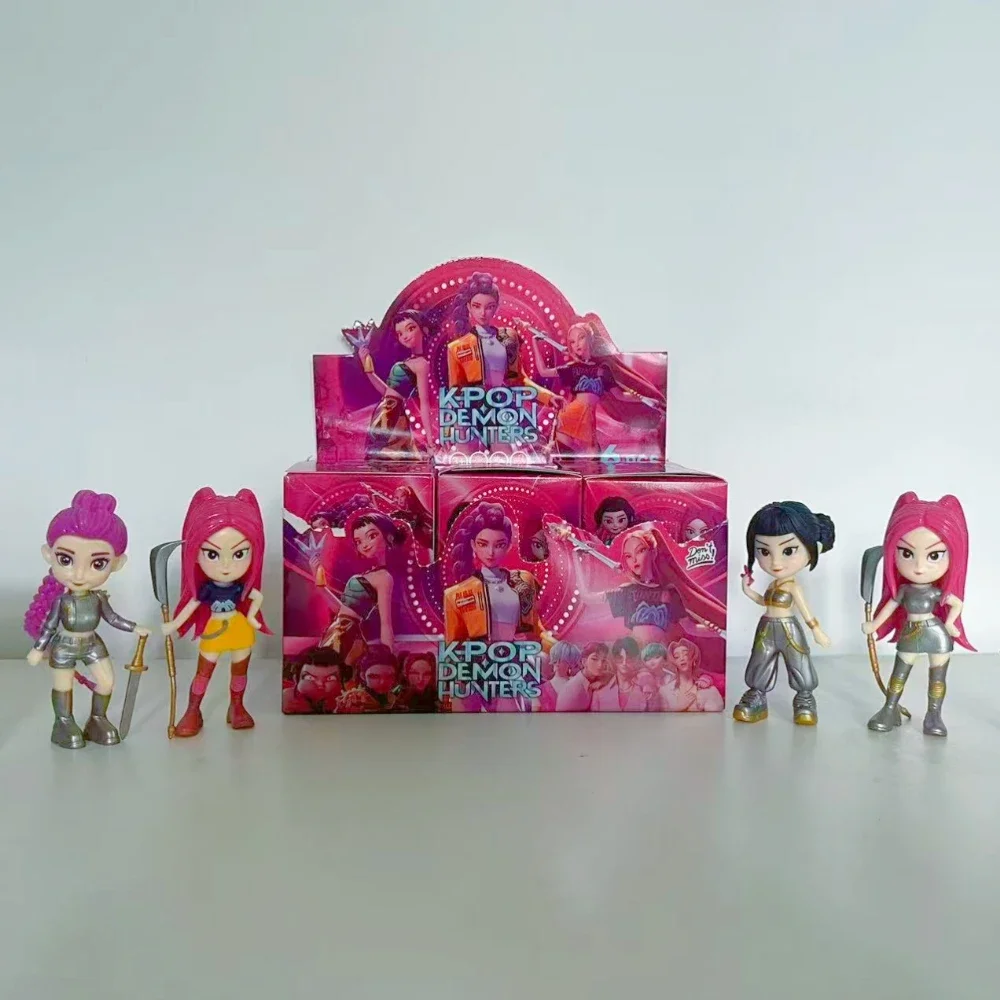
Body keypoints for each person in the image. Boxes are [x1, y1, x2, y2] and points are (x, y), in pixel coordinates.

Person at [24, 490, 150, 749]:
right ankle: (63, 721)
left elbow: (112, 618)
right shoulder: (62, 601)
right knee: (63, 684)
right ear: (49, 554)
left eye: (98, 563)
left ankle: (97, 719)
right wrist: (38, 648)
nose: (80, 574)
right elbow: (50, 625)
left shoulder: (98, 599)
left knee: (106, 681)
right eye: (66, 559)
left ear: (117, 564)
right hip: (64, 646)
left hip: (92, 644)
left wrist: (134, 627)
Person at [863, 493, 973, 737]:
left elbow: (956, 603)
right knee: (899, 673)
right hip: (911, 632)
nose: (920, 567)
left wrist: (951, 623)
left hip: (936, 633)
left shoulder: (937, 592)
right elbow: (890, 606)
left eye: (934, 555)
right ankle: (890, 708)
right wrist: (875, 624)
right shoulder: (904, 590)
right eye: (906, 553)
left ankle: (934, 715)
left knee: (937, 677)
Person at [162, 488, 270, 737]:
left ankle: (237, 707)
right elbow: (193, 604)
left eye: (239, 554)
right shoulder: (207, 589)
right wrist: (175, 624)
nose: (226, 566)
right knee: (203, 673)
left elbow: (257, 596)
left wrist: (252, 616)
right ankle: (193, 710)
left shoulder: (240, 587)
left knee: (239, 671)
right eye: (212, 553)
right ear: (194, 553)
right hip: (214, 631)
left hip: (240, 629)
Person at [734, 501, 834, 726]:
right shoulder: (773, 585)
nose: (776, 562)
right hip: (766, 627)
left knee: (798, 660)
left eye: (788, 551)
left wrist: (817, 631)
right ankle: (756, 696)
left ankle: (805, 698)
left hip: (788, 628)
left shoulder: (793, 587)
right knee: (760, 659)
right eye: (764, 551)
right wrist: (747, 589)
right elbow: (764, 601)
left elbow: (805, 611)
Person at [526, 315, 664, 454]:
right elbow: (543, 372)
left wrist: (643, 398)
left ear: (590, 339)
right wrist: (534, 343)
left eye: (581, 338)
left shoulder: (602, 370)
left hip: (589, 421)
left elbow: (620, 395)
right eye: (572, 342)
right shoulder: (572, 368)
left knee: (591, 458)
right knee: (567, 456)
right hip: (570, 416)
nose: (577, 344)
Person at [443, 502, 553, 650]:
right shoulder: (455, 594)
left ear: (508, 546)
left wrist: (558, 648)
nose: (491, 552)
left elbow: (537, 632)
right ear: (473, 545)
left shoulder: (524, 580)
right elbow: (453, 648)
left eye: (499, 545)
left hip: (522, 658)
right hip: (480, 661)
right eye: (483, 544)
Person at [445, 271, 558, 406]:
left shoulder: (509, 336)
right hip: (475, 412)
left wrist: (548, 397)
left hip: (505, 408)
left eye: (489, 307)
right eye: (476, 306)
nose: (482, 313)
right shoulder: (456, 347)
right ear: (469, 307)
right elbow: (455, 393)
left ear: (496, 307)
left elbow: (520, 381)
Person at [354, 309, 433, 459]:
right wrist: (366, 364)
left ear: (423, 329)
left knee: (387, 453)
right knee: (381, 454)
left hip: (393, 413)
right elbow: (386, 392)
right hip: (384, 410)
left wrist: (430, 443)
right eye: (400, 333)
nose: (405, 336)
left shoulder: (422, 364)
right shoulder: (408, 361)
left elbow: (424, 403)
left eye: (410, 328)